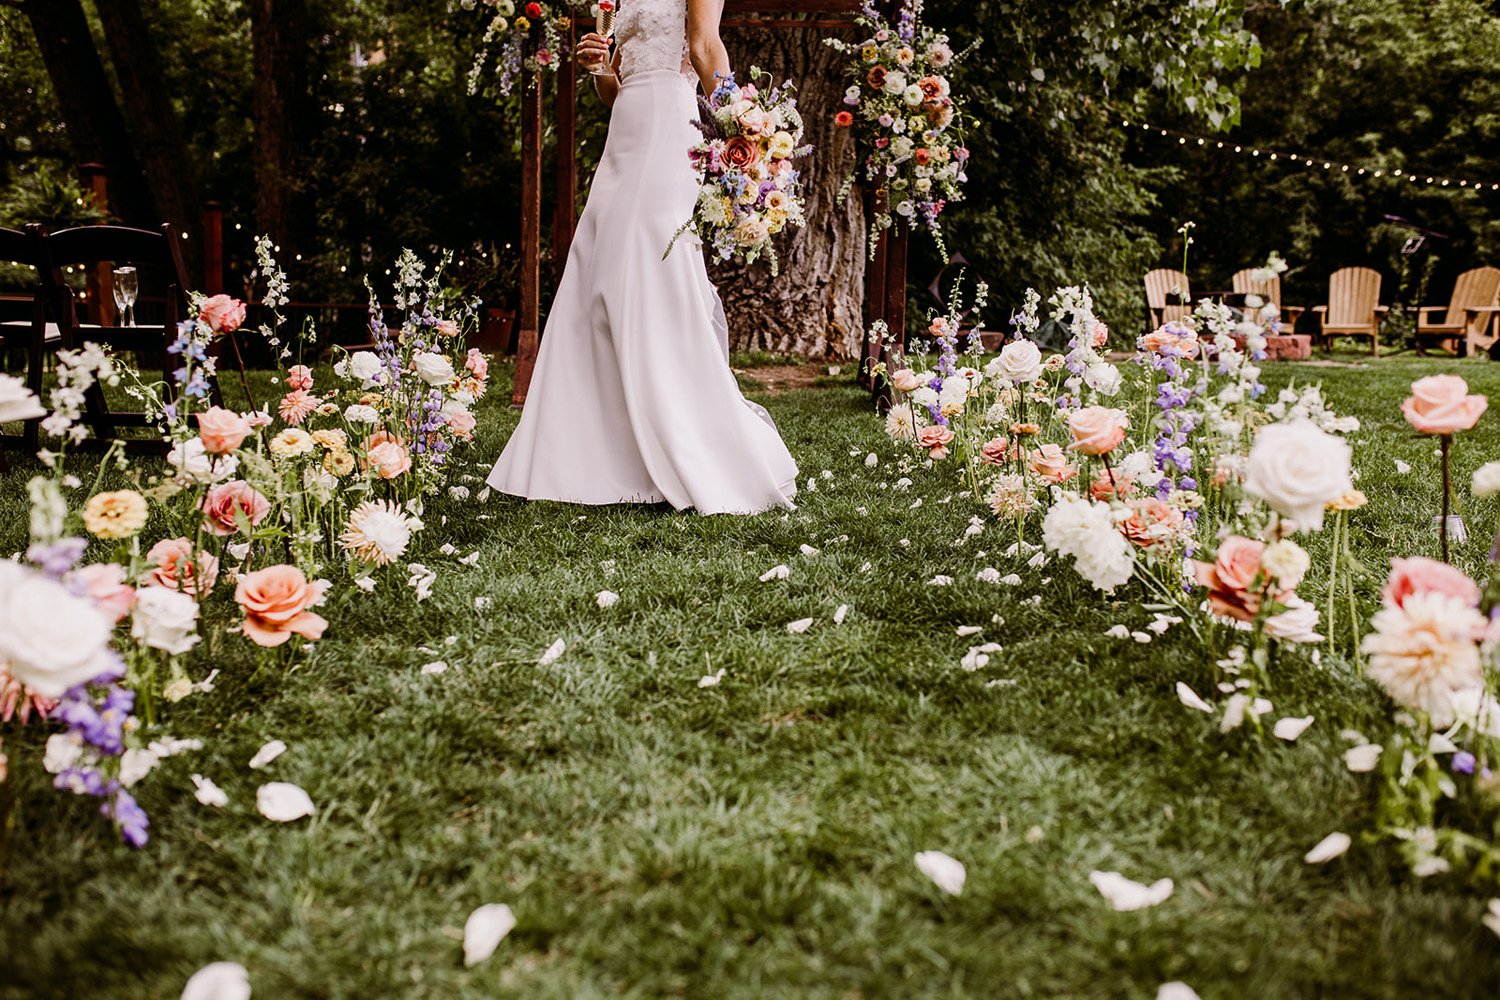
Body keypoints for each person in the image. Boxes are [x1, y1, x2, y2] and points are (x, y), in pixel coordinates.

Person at [486, 0, 799, 515]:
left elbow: (703, 46)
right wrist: (599, 68)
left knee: (650, 270)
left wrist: (746, 127)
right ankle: (601, 452)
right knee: (600, 272)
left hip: (668, 132)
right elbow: (617, 87)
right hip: (625, 136)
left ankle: (691, 441)